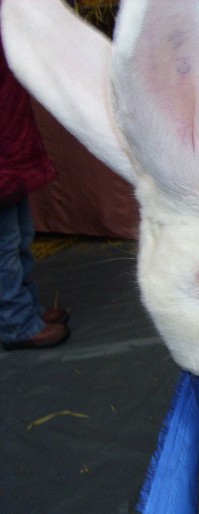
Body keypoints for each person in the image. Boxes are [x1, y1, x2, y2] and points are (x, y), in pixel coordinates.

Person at [0, 30, 69, 350]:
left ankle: (29, 310)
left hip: (9, 139)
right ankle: (17, 323)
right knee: (5, 247)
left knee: (21, 237)